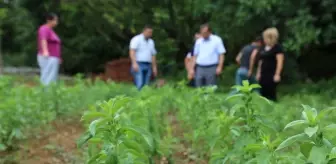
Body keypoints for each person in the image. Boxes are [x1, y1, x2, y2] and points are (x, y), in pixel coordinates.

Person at [256, 27, 285, 101]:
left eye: (265, 38)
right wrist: (258, 73)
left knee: (271, 91)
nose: (264, 39)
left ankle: (273, 105)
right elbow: (261, 61)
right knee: (262, 91)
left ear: (271, 38)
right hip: (263, 73)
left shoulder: (277, 48)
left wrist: (277, 74)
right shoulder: (263, 48)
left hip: (272, 73)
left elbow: (280, 62)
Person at [129, 25, 158, 90]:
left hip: (148, 64)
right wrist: (134, 63)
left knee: (146, 85)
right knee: (139, 83)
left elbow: (153, 55)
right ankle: (138, 98)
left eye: (151, 32)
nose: (150, 34)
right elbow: (132, 51)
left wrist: (154, 67)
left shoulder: (151, 42)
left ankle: (144, 98)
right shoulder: (136, 39)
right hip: (138, 64)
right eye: (148, 32)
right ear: (144, 31)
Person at [37, 12, 61, 86]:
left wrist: (58, 57)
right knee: (47, 75)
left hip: (53, 57)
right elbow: (43, 39)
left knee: (52, 76)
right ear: (49, 20)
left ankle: (50, 93)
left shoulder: (51, 31)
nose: (56, 22)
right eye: (55, 20)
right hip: (48, 57)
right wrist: (45, 51)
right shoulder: (44, 29)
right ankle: (45, 92)